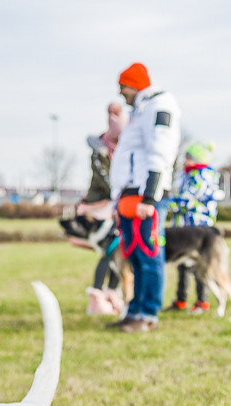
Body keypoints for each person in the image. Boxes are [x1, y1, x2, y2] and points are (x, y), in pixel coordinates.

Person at [108, 63, 181, 333]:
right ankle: (134, 311)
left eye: (123, 87)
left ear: (134, 84)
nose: (121, 93)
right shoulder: (140, 110)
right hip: (131, 196)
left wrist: (149, 197)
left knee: (149, 256)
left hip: (145, 196)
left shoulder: (160, 105)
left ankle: (148, 314)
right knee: (136, 258)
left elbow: (161, 149)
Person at [80, 103, 128, 316]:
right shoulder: (99, 152)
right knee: (109, 251)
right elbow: (107, 181)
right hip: (101, 207)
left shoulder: (124, 150)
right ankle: (97, 297)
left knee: (119, 250)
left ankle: (111, 293)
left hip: (117, 206)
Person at [167, 142, 220, 314]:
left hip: (199, 229)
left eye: (189, 157)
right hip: (185, 228)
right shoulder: (188, 175)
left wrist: (165, 204)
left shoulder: (202, 176)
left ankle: (202, 302)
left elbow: (186, 200)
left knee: (200, 265)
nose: (185, 160)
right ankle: (181, 300)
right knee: (182, 264)